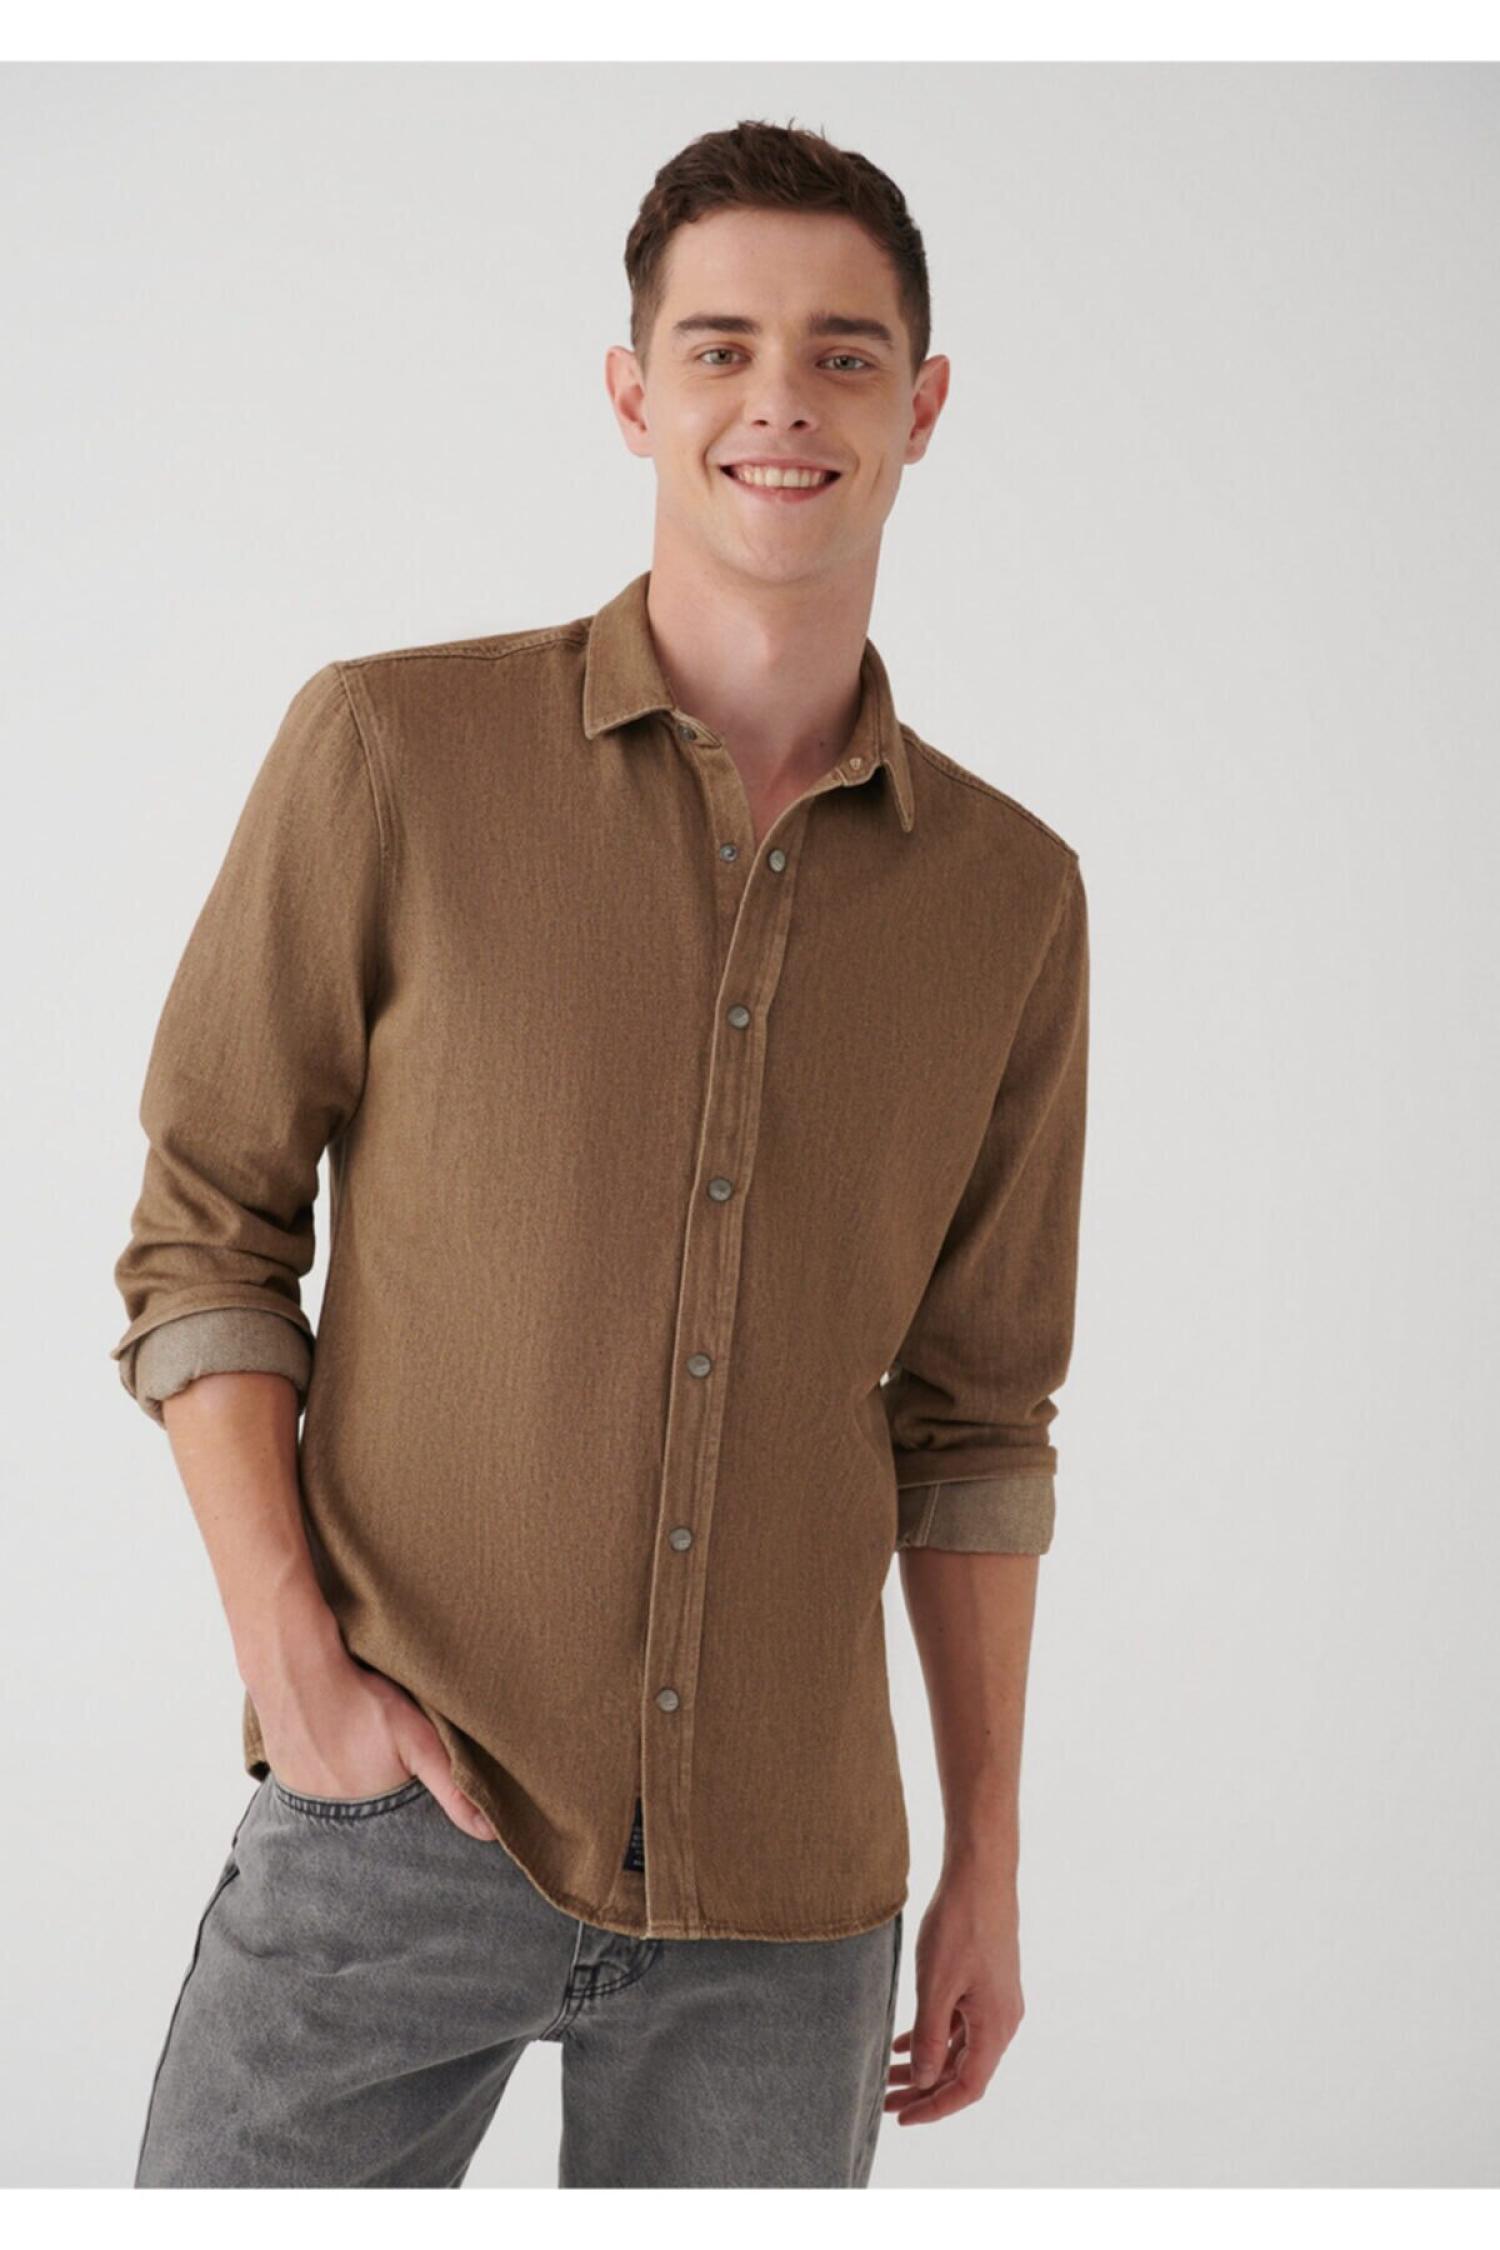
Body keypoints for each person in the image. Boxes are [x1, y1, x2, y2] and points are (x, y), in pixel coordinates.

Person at [110, 117, 1090, 2190]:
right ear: (636, 392)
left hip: (791, 1903)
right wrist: (300, 1676)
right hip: (394, 1826)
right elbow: (206, 1229)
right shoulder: (393, 752)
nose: (780, 401)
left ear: (920, 406)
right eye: (722, 346)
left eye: (841, 354)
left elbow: (978, 1417)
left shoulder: (1011, 898)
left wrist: (986, 1861)